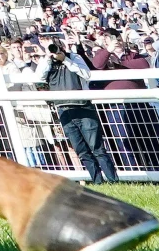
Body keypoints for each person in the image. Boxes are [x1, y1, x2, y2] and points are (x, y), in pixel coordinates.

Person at [36, 40, 117, 184]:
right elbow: (38, 78)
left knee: (97, 147)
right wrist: (48, 59)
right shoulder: (46, 62)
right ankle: (98, 182)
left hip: (83, 106)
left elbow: (86, 74)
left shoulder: (75, 58)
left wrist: (65, 59)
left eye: (56, 47)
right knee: (81, 150)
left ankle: (113, 180)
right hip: (63, 109)